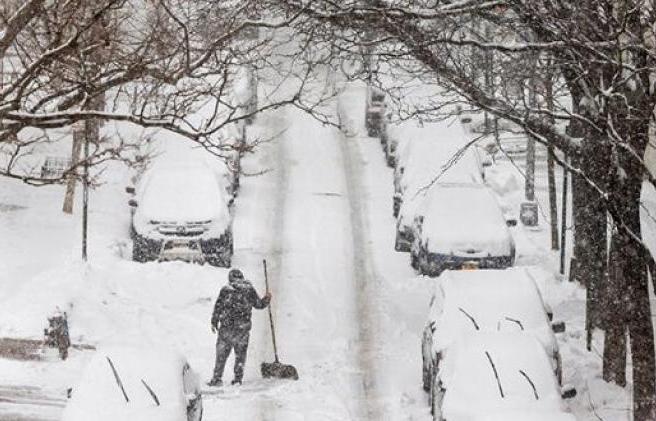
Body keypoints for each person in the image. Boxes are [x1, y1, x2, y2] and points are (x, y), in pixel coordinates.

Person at [208, 268, 271, 386]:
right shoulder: (249, 290)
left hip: (226, 328)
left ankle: (217, 378)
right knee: (240, 355)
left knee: (221, 355)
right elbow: (259, 304)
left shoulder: (226, 290)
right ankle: (237, 379)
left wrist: (214, 321)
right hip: (242, 329)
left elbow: (218, 307)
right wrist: (267, 298)